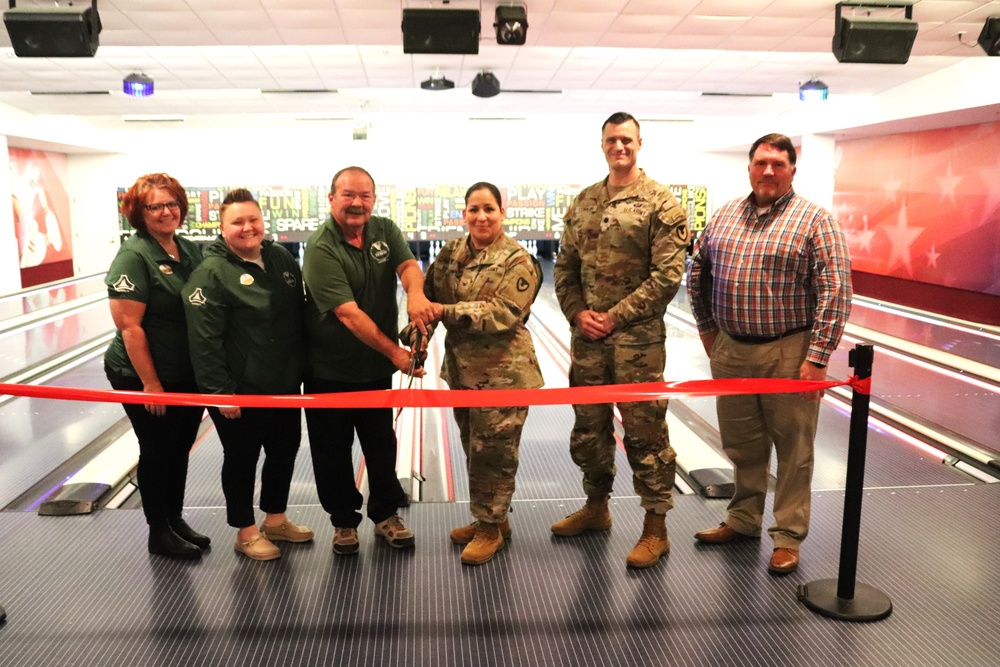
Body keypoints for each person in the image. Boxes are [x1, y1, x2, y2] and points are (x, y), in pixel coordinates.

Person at [686, 133, 852, 575]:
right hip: (733, 350)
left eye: (779, 163)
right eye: (762, 162)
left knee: (794, 448)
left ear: (792, 170)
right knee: (742, 443)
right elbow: (696, 272)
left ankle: (787, 536)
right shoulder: (723, 217)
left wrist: (817, 357)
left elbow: (835, 290)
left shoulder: (815, 220)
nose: (769, 171)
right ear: (749, 167)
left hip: (789, 349)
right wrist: (707, 329)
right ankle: (742, 520)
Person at [552, 111, 690, 569]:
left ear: (640, 143)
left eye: (627, 140)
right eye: (612, 140)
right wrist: (576, 313)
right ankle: (597, 508)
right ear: (603, 144)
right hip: (588, 341)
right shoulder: (584, 202)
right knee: (589, 429)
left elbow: (668, 275)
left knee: (646, 433)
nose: (620, 147)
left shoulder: (660, 204)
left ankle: (656, 529)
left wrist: (613, 317)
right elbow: (564, 268)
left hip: (637, 344)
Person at [408, 182, 544, 565]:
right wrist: (415, 337)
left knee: (494, 455)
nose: (481, 217)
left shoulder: (518, 259)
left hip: (505, 374)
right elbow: (428, 300)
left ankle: (488, 528)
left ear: (502, 212)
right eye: (473, 209)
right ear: (464, 213)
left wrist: (443, 313)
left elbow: (503, 314)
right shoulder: (452, 252)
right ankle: (494, 520)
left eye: (489, 209)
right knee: (474, 448)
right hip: (464, 374)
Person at [302, 166, 434, 556]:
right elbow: (348, 314)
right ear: (331, 199)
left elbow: (409, 266)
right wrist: (397, 354)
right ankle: (344, 522)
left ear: (373, 200)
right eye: (348, 195)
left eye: (364, 196)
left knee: (381, 446)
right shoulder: (320, 247)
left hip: (373, 372)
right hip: (329, 371)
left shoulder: (384, 230)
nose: (357, 203)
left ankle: (386, 515)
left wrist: (415, 296)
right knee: (333, 452)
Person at [182, 189, 314, 561]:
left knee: (283, 452)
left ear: (262, 222)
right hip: (240, 390)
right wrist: (221, 391)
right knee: (241, 459)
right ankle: (245, 530)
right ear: (222, 228)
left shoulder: (279, 257)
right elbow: (203, 339)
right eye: (237, 222)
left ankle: (275, 519)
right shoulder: (210, 274)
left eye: (253, 220)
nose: (247, 228)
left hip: (285, 384)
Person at [103, 173, 208, 560]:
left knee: (180, 447)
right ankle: (157, 531)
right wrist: (152, 385)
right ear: (139, 213)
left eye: (172, 204)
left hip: (185, 374)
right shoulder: (135, 255)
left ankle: (175, 519)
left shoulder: (188, 249)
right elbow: (130, 328)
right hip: (142, 375)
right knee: (158, 448)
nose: (166, 212)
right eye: (155, 206)